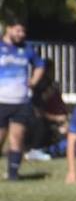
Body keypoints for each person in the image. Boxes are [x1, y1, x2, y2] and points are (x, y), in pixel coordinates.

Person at [1, 19, 48, 181]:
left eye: (23, 31)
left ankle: (13, 174)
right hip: (1, 101)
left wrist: (33, 81)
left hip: (21, 102)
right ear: (8, 29)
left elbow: (40, 65)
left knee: (17, 137)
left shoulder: (27, 49)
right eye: (18, 30)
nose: (21, 34)